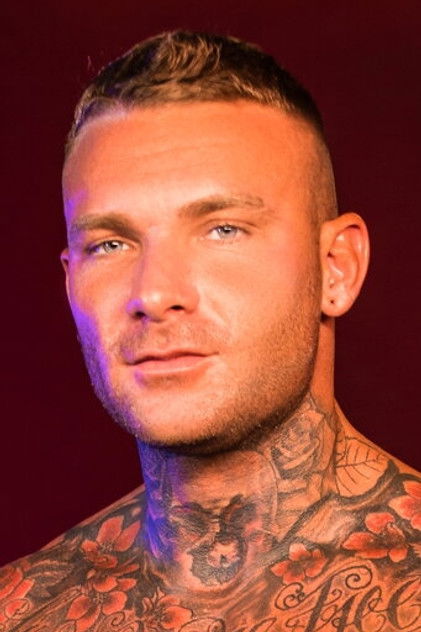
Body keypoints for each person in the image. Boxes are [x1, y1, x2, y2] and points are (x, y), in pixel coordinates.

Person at [1, 30, 420, 632]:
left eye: (223, 229)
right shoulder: (23, 611)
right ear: (71, 284)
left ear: (336, 268)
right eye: (111, 244)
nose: (154, 294)